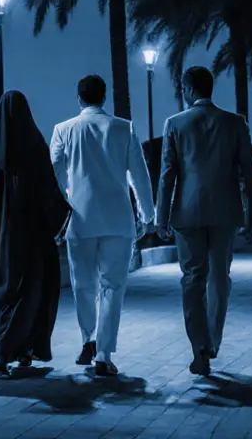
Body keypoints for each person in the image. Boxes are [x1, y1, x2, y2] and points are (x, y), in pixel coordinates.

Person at [156, 66, 252, 377]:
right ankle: (213, 340)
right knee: (219, 277)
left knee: (192, 279)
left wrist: (161, 217)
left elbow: (167, 175)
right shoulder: (234, 123)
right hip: (225, 213)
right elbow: (251, 172)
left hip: (187, 215)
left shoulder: (174, 123)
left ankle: (198, 347)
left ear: (188, 90)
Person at [0, 90, 71, 376]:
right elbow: (49, 193)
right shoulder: (34, 147)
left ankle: (2, 354)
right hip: (30, 239)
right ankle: (22, 350)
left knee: (0, 291)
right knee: (31, 293)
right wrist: (62, 219)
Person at [49, 74, 155, 377]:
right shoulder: (124, 128)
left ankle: (88, 340)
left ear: (79, 98)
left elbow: (55, 174)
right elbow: (139, 175)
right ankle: (104, 354)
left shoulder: (63, 130)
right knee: (113, 286)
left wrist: (63, 208)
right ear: (104, 97)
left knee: (83, 285)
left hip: (79, 219)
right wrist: (147, 215)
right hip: (118, 219)